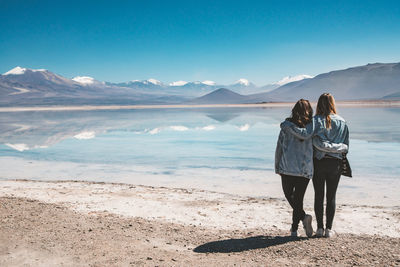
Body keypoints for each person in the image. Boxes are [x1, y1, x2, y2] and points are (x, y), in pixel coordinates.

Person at [275, 99, 348, 237]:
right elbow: (336, 143)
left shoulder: (310, 125)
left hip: (299, 166)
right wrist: (341, 148)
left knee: (301, 197)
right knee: (307, 198)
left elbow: (280, 147)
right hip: (311, 167)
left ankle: (304, 228)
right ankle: (320, 228)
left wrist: (277, 166)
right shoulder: (318, 126)